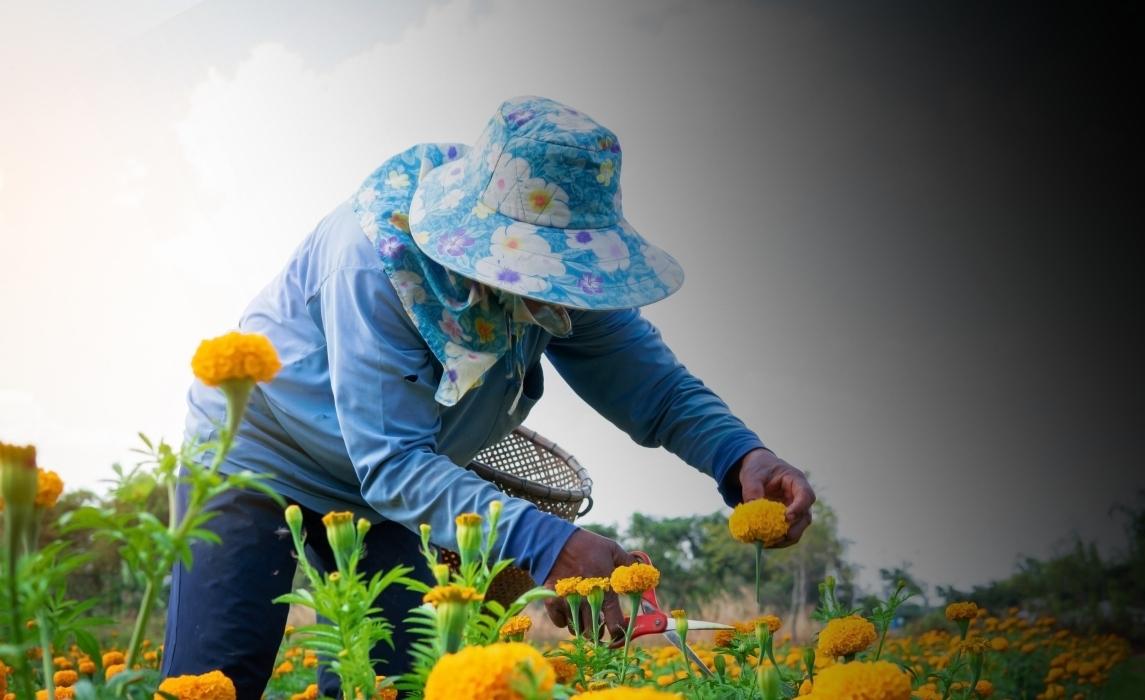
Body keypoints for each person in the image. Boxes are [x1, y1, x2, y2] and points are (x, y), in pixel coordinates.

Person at [161, 95, 815, 698]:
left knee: (390, 682)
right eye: (539, 264)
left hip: (388, 497)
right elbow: (392, 462)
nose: (555, 287)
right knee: (216, 679)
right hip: (256, 455)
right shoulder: (375, 266)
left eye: (563, 267)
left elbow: (655, 386)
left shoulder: (568, 280)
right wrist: (551, 547)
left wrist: (740, 457)